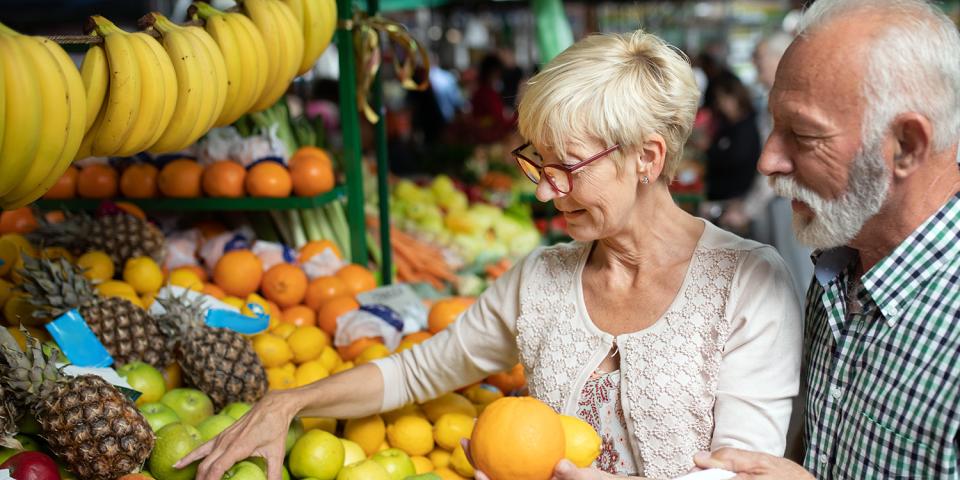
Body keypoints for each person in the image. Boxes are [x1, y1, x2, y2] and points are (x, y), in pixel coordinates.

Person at [180, 30, 802, 480]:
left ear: (647, 158)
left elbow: (743, 470)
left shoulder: (747, 284)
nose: (541, 189)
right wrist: (289, 401)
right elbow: (420, 371)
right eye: (536, 162)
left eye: (567, 167)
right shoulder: (540, 281)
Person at [694, 0, 960, 478]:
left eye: (803, 134)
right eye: (774, 124)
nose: (768, 161)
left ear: (906, 147)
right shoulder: (838, 267)